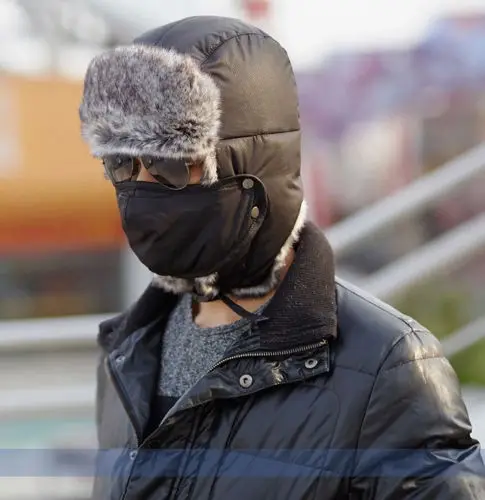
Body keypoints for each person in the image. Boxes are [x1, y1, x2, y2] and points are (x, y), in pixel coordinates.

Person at [79, 15, 485, 500]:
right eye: (121, 163)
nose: (140, 190)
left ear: (255, 164)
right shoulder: (126, 353)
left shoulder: (387, 367)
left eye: (170, 164)